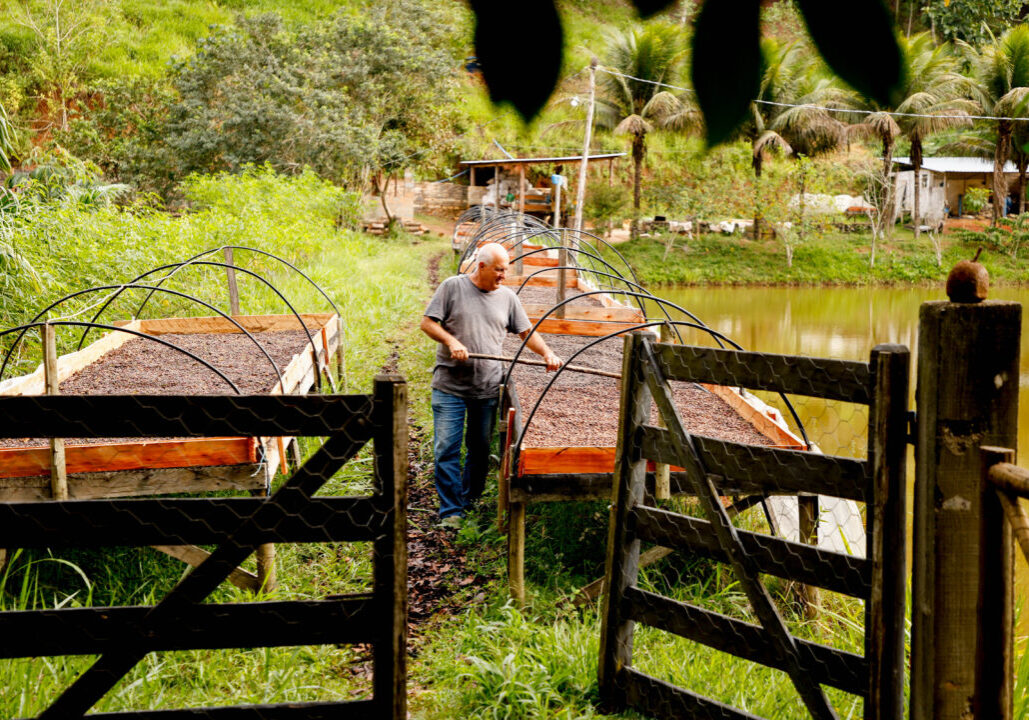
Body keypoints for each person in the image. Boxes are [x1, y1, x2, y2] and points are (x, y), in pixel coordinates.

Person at [420, 242, 562, 529]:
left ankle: (468, 499)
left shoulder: (507, 297)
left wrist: (546, 353)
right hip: (449, 385)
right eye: (498, 269)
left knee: (480, 448)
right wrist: (451, 341)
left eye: (506, 269)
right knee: (447, 447)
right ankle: (451, 512)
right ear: (481, 266)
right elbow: (427, 324)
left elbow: (525, 332)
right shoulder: (453, 287)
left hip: (486, 387)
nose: (503, 276)